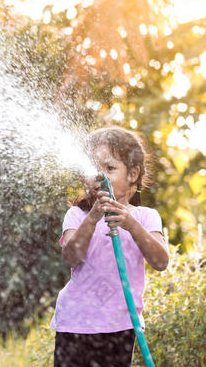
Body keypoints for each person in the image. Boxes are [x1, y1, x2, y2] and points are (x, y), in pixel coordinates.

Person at [50, 126, 169, 367]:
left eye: (110, 168)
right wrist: (93, 218)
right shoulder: (77, 215)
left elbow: (161, 262)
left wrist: (131, 224)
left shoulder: (146, 217)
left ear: (133, 174)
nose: (100, 176)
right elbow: (71, 257)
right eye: (94, 169)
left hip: (120, 326)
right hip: (75, 324)